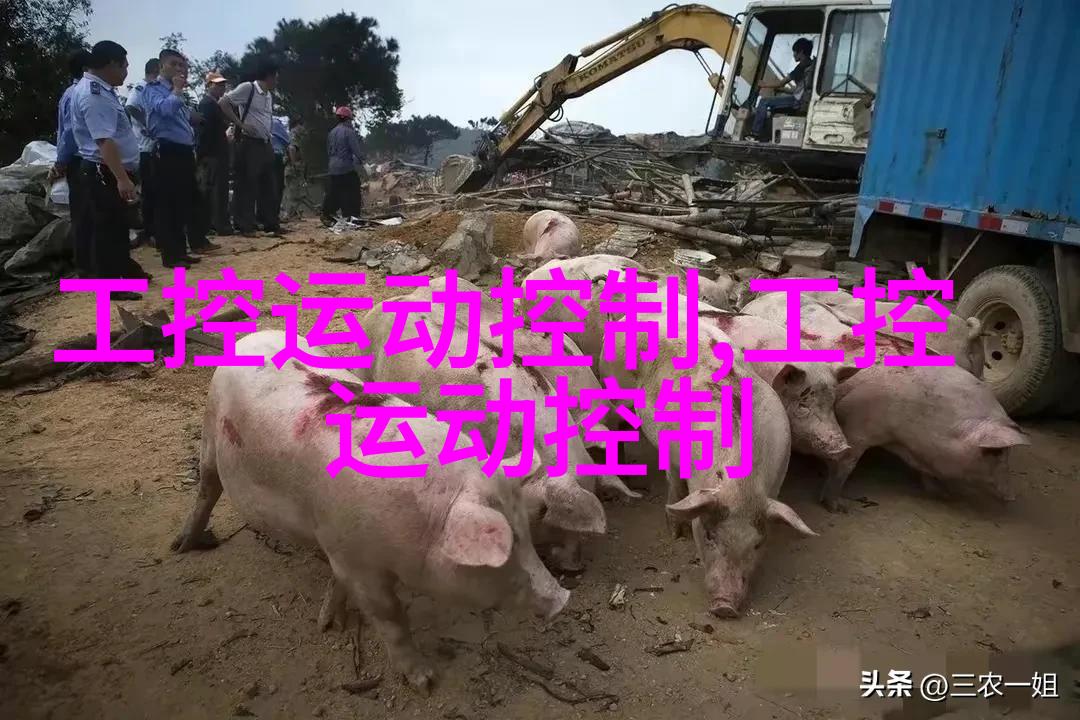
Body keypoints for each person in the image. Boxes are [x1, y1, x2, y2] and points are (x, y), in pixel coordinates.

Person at [70, 40, 149, 298]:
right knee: (108, 230)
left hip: (107, 170)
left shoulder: (102, 90)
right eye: (124, 66)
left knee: (116, 227)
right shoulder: (93, 95)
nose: (126, 73)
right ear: (112, 64)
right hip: (104, 171)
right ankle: (112, 286)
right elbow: (104, 140)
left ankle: (123, 273)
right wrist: (122, 178)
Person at [144, 48, 220, 268]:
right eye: (174, 64)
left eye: (182, 65)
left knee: (183, 203)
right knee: (168, 205)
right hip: (167, 151)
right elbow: (164, 110)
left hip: (184, 152)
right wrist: (177, 90)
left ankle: (180, 250)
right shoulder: (153, 89)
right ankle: (170, 255)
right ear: (162, 66)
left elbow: (182, 118)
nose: (180, 69)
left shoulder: (175, 93)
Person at [219, 59, 281, 236]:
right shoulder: (248, 88)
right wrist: (240, 124)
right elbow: (223, 103)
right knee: (247, 184)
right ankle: (244, 225)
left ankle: (269, 222)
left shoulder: (269, 95)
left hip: (265, 143)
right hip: (249, 143)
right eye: (276, 77)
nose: (277, 81)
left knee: (269, 184)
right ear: (269, 76)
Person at [49, 49, 93, 278]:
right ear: (86, 68)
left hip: (84, 160)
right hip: (80, 160)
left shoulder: (79, 92)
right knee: (84, 215)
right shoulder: (76, 93)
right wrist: (61, 161)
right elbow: (68, 132)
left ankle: (92, 264)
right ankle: (85, 268)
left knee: (90, 213)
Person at [125, 58, 160, 247]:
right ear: (155, 70)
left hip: (156, 147)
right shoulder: (141, 87)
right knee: (150, 191)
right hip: (145, 147)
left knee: (159, 191)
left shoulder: (156, 90)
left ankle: (159, 229)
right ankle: (151, 231)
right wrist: (147, 123)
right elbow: (130, 106)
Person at [751, 37, 815, 141]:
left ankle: (755, 133)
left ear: (801, 52)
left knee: (764, 102)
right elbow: (800, 91)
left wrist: (764, 85)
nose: (793, 55)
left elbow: (781, 83)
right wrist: (783, 90)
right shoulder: (811, 65)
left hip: (797, 102)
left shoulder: (801, 67)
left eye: (795, 52)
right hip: (802, 100)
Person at [196, 71, 233, 236]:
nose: (222, 88)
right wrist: (204, 154)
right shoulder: (207, 104)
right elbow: (205, 131)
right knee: (216, 190)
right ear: (209, 85)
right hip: (212, 154)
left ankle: (216, 223)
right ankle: (218, 224)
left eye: (223, 85)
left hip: (217, 152)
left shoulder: (214, 104)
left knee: (218, 190)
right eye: (218, 84)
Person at [321, 106, 364, 226]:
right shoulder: (349, 132)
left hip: (332, 167)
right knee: (353, 191)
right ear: (348, 119)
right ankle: (352, 215)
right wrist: (362, 160)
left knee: (334, 191)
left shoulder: (332, 132)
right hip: (345, 167)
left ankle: (327, 213)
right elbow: (356, 150)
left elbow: (328, 150)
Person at [281, 116, 307, 221]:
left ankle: (293, 213)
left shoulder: (291, 135)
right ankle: (288, 214)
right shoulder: (293, 135)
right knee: (293, 192)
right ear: (298, 125)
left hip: (290, 168)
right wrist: (294, 163)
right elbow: (291, 148)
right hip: (292, 168)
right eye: (302, 126)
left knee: (293, 191)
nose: (303, 129)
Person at [268, 115, 290, 226]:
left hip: (263, 156)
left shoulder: (260, 120)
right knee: (277, 187)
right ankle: (273, 217)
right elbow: (287, 141)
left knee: (266, 189)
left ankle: (265, 217)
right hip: (276, 156)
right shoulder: (276, 122)